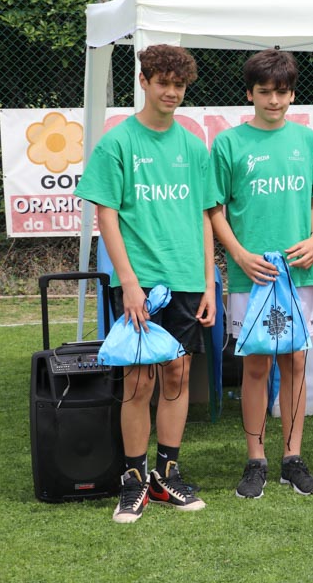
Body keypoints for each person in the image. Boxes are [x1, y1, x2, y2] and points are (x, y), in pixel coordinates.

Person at [74, 45, 215, 523]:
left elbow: (205, 216)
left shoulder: (194, 147)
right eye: (163, 83)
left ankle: (166, 475)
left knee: (177, 375)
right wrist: (130, 282)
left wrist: (209, 284)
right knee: (138, 379)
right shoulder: (117, 143)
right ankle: (133, 480)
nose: (171, 92)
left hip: (188, 279)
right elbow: (106, 217)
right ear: (144, 82)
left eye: (179, 85)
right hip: (139, 283)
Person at [208, 49, 313, 499]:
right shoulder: (228, 144)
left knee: (295, 362)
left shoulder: (307, 141)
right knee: (256, 365)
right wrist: (237, 255)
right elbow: (214, 210)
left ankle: (293, 458)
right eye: (264, 92)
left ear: (292, 94)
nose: (273, 100)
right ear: (249, 94)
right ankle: (255, 459)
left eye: (281, 92)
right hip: (251, 275)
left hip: (300, 273)